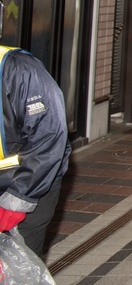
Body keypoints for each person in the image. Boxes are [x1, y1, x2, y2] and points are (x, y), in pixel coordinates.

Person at [0, 46, 72, 256]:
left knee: (18, 268)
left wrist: (16, 201)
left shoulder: (19, 68)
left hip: (24, 187)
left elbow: (49, 135)